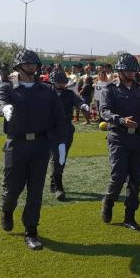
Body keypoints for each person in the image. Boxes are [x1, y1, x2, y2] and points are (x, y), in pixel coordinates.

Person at [0, 49, 68, 250]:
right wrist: (4, 108)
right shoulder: (8, 87)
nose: (31, 66)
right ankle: (7, 212)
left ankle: (31, 231)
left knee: (35, 192)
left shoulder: (47, 91)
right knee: (12, 190)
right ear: (18, 66)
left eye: (34, 63)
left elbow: (59, 118)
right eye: (27, 63)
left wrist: (61, 142)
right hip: (16, 145)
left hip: (40, 146)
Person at [99, 53, 140, 230]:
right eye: (129, 70)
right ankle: (108, 202)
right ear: (120, 71)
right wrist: (120, 120)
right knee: (118, 176)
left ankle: (129, 217)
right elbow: (104, 111)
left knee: (136, 179)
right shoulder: (109, 89)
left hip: (137, 138)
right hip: (118, 137)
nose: (133, 73)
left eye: (134, 70)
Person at [47, 69, 90, 201]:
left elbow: (78, 101)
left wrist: (83, 106)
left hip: (66, 130)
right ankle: (59, 187)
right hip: (50, 130)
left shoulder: (69, 94)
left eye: (63, 82)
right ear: (52, 81)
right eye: (58, 82)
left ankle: (54, 180)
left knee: (61, 157)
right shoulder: (46, 93)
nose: (61, 85)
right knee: (57, 157)